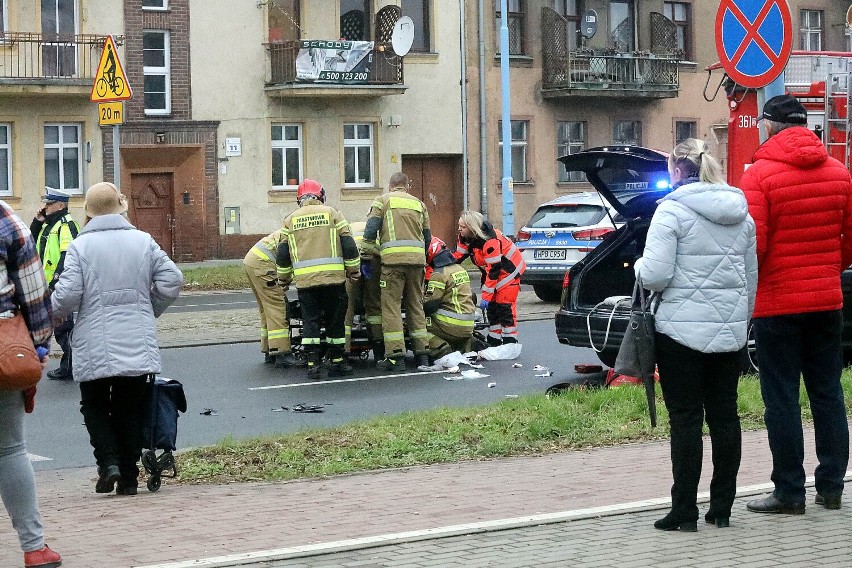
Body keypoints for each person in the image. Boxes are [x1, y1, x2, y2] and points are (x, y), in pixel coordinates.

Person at [635, 138, 757, 532]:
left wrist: (637, 264)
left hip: (679, 334)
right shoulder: (742, 213)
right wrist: (738, 318)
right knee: (725, 418)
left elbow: (655, 275)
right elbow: (750, 278)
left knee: (686, 419)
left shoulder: (670, 212)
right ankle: (722, 508)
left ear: (675, 170)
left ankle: (684, 511)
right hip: (730, 334)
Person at [741, 94, 852, 515]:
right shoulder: (839, 172)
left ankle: (789, 491)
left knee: (782, 398)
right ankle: (832, 486)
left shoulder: (760, 176)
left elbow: (757, 245)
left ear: (769, 126)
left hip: (777, 303)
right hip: (827, 300)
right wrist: (825, 269)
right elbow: (849, 240)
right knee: (828, 394)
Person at [51, 182, 183, 496]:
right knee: (129, 409)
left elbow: (67, 296)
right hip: (137, 339)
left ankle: (107, 463)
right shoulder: (143, 241)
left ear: (89, 213)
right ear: (121, 208)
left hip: (93, 340)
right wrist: (150, 307)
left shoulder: (81, 247)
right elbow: (172, 279)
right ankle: (127, 478)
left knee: (94, 405)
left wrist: (52, 313)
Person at [0, 201, 62, 567]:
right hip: (3, 348)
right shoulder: (5, 218)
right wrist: (39, 346)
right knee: (9, 449)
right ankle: (35, 548)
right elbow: (34, 289)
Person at [276, 179, 360, 380]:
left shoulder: (290, 220)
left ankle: (313, 364)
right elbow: (348, 244)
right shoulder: (332, 213)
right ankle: (337, 362)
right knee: (335, 322)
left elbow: (282, 253)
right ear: (320, 196)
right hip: (334, 280)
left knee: (310, 322)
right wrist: (353, 270)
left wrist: (284, 279)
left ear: (300, 199)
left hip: (306, 283)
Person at [362, 172, 431, 371]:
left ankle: (395, 356)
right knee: (415, 306)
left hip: (392, 264)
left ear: (390, 186)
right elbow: (427, 237)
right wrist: (421, 257)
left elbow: (370, 229)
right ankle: (422, 355)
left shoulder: (383, 200)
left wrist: (366, 257)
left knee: (391, 308)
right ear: (407, 186)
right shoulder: (420, 204)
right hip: (417, 264)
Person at [453, 210, 525, 345]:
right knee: (492, 308)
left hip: (509, 272)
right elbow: (458, 256)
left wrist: (486, 295)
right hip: (493, 270)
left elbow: (494, 270)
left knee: (504, 307)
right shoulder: (465, 237)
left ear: (472, 227)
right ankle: (494, 339)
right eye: (459, 226)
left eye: (462, 227)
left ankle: (510, 340)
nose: (459, 229)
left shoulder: (490, 240)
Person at [30, 187, 79, 381]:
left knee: (63, 328)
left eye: (49, 204)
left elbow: (67, 256)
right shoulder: (48, 225)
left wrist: (56, 282)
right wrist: (36, 222)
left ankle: (70, 366)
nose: (45, 207)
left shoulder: (65, 225)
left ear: (61, 205)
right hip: (45, 284)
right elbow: (30, 243)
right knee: (52, 326)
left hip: (57, 285)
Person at [243, 230, 300, 368]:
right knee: (278, 306)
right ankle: (281, 353)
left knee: (266, 308)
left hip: (253, 260)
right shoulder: (305, 234)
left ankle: (269, 349)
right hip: (263, 264)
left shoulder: (295, 226)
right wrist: (285, 280)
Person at [423, 237, 476, 359]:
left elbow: (430, 305)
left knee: (416, 325)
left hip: (451, 325)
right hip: (468, 324)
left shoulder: (439, 274)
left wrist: (417, 303)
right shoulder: (460, 269)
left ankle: (441, 348)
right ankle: (466, 344)